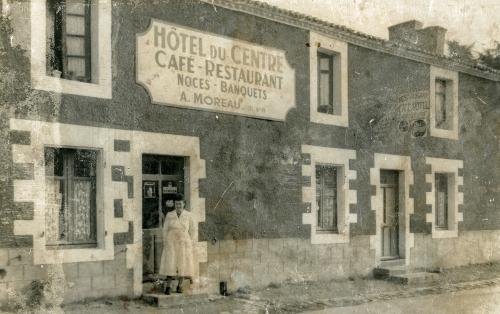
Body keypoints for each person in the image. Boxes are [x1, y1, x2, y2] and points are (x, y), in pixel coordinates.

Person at [159, 193, 196, 294]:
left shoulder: (189, 215)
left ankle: (180, 286)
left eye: (180, 204)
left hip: (184, 243)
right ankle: (168, 287)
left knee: (182, 263)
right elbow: (165, 229)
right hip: (171, 242)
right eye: (176, 204)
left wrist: (190, 242)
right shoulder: (170, 215)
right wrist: (165, 241)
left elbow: (193, 231)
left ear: (184, 204)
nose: (178, 206)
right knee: (170, 263)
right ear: (174, 205)